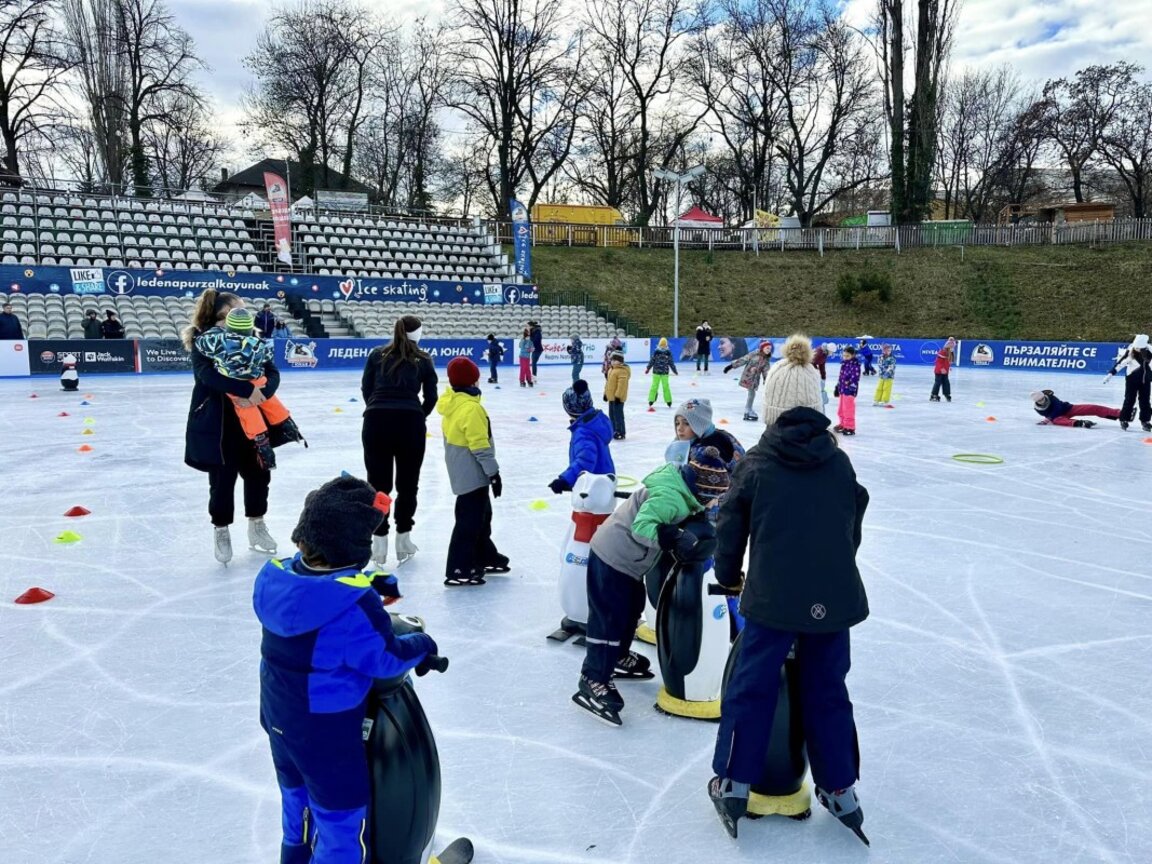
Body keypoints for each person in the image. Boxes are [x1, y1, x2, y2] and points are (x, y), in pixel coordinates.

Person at [708, 333, 870, 844]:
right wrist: (832, 570)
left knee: (751, 688)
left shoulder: (758, 462)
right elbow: (853, 522)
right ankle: (841, 788)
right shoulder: (838, 461)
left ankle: (733, 781)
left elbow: (731, 524)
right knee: (827, 691)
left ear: (774, 405)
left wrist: (727, 574)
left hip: (773, 600)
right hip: (835, 599)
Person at [253, 474, 436, 864]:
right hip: (326, 734)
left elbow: (315, 587)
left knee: (297, 808)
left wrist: (365, 581)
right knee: (340, 823)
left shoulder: (273, 579)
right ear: (355, 547)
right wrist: (423, 645)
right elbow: (384, 658)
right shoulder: (354, 607)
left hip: (279, 720)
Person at [572, 447, 730, 725]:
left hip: (628, 563)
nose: (713, 503)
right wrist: (671, 537)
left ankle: (617, 655)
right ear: (702, 491)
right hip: (612, 558)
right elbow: (641, 528)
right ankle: (593, 677)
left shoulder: (683, 493)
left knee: (631, 608)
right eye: (713, 497)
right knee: (609, 618)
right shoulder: (671, 498)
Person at [182, 288, 280, 564]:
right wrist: (245, 389)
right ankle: (222, 530)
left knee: (260, 474)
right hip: (219, 422)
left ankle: (257, 525)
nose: (244, 314)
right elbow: (206, 376)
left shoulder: (252, 339)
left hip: (253, 419)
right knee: (222, 481)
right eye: (238, 310)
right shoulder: (205, 342)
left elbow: (271, 371)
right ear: (222, 316)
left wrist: (264, 391)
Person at [360, 315, 438, 568]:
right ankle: (403, 537)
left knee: (378, 484)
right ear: (417, 334)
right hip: (409, 424)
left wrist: (377, 407)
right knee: (408, 483)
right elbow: (432, 397)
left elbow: (366, 388)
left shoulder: (376, 354)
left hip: (376, 421)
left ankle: (379, 539)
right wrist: (417, 414)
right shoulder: (424, 360)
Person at [194, 307, 305, 470]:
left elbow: (201, 342)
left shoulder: (219, 341)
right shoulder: (257, 344)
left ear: (228, 326)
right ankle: (286, 423)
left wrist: (215, 330)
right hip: (257, 379)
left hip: (233, 381)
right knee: (268, 399)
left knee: (246, 408)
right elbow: (268, 360)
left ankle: (261, 442)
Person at [437, 357, 509, 586]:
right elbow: (480, 446)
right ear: (473, 381)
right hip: (472, 474)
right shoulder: (471, 409)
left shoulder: (454, 403)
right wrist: (494, 473)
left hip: (462, 470)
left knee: (482, 517)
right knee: (469, 523)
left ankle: (484, 555)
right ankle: (459, 568)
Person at [549, 380, 615, 494]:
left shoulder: (584, 432)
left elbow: (586, 460)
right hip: (603, 482)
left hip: (591, 489)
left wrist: (565, 480)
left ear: (571, 408)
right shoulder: (595, 422)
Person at [666, 398, 745, 468]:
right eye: (677, 423)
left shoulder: (705, 449)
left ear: (700, 425)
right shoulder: (681, 443)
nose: (680, 428)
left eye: (687, 423)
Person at [1106, 334, 1152, 432]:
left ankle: (1145, 421)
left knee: (1145, 401)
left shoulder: (1150, 350)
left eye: (1139, 348)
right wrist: (1110, 374)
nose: (1136, 349)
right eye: (1135, 347)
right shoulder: (1131, 350)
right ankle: (1124, 419)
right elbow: (1121, 363)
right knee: (1129, 399)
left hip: (1145, 379)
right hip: (1132, 378)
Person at [724, 341, 773, 422]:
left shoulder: (766, 359)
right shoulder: (754, 354)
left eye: (770, 349)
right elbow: (743, 359)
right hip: (748, 377)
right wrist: (731, 366)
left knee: (752, 394)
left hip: (755, 379)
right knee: (751, 394)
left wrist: (766, 380)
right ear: (762, 348)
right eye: (767, 348)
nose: (769, 350)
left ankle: (748, 410)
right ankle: (748, 410)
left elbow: (766, 371)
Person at [1031, 390, 1121, 428]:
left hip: (1068, 408)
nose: (1042, 400)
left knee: (1091, 408)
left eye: (1042, 398)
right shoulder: (1038, 409)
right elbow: (1052, 415)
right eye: (1040, 400)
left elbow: (1058, 408)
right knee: (1057, 421)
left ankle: (1119, 413)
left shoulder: (1051, 397)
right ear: (1037, 401)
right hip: (1058, 417)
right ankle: (1080, 423)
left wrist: (1048, 419)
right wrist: (1050, 418)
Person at [833, 345, 860, 435]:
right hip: (842, 389)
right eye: (844, 355)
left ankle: (850, 427)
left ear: (853, 355)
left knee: (848, 409)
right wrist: (837, 386)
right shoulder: (844, 363)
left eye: (847, 356)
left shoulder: (855, 365)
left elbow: (855, 378)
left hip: (849, 391)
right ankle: (843, 424)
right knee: (841, 409)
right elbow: (841, 377)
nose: (845, 357)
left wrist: (851, 389)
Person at [604, 351, 631, 440]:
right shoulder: (611, 370)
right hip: (611, 397)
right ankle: (614, 430)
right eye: (611, 360)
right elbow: (608, 384)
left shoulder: (622, 371)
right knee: (611, 415)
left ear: (619, 361)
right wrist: (605, 394)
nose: (612, 361)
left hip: (618, 398)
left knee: (618, 416)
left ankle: (620, 432)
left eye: (614, 360)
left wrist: (618, 397)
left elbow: (622, 386)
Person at [645, 337, 678, 408]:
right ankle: (651, 400)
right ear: (659, 345)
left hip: (664, 373)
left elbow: (671, 363)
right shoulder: (656, 352)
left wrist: (674, 370)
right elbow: (652, 361)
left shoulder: (668, 353)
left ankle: (668, 401)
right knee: (654, 386)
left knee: (665, 387)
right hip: (656, 372)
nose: (663, 346)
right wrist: (648, 368)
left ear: (666, 345)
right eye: (661, 345)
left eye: (664, 345)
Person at [930, 337, 956, 402]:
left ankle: (947, 394)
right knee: (938, 382)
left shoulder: (950, 352)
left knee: (946, 382)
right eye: (951, 345)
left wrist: (948, 367)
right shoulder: (943, 351)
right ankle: (934, 395)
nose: (952, 346)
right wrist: (941, 368)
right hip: (939, 370)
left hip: (945, 371)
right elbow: (938, 362)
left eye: (953, 345)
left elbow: (948, 361)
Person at [812, 341, 831, 407]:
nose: (831, 354)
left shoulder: (824, 354)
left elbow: (822, 365)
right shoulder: (819, 353)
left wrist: (823, 377)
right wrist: (815, 371)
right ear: (828, 350)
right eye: (831, 352)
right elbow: (811, 362)